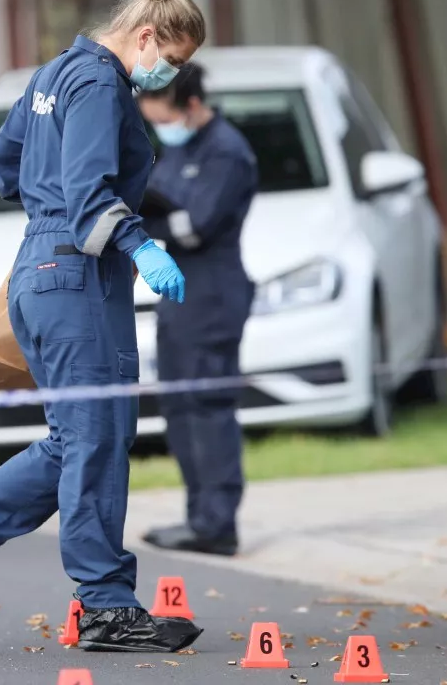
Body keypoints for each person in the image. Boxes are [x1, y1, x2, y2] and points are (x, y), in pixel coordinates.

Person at [0, 0, 206, 654]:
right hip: (80, 275)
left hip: (41, 269)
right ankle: (105, 605)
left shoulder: (51, 75)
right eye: (173, 64)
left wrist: (46, 209)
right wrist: (140, 245)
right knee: (96, 439)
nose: (171, 79)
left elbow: (7, 162)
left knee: (78, 437)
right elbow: (91, 193)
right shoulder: (99, 82)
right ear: (148, 35)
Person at [136, 62, 258, 556]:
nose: (159, 127)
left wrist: (151, 223)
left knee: (209, 407)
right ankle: (197, 516)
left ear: (189, 106)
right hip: (181, 297)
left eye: (161, 116)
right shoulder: (175, 149)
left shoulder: (226, 153)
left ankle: (217, 522)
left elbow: (195, 226)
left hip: (213, 294)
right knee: (180, 407)